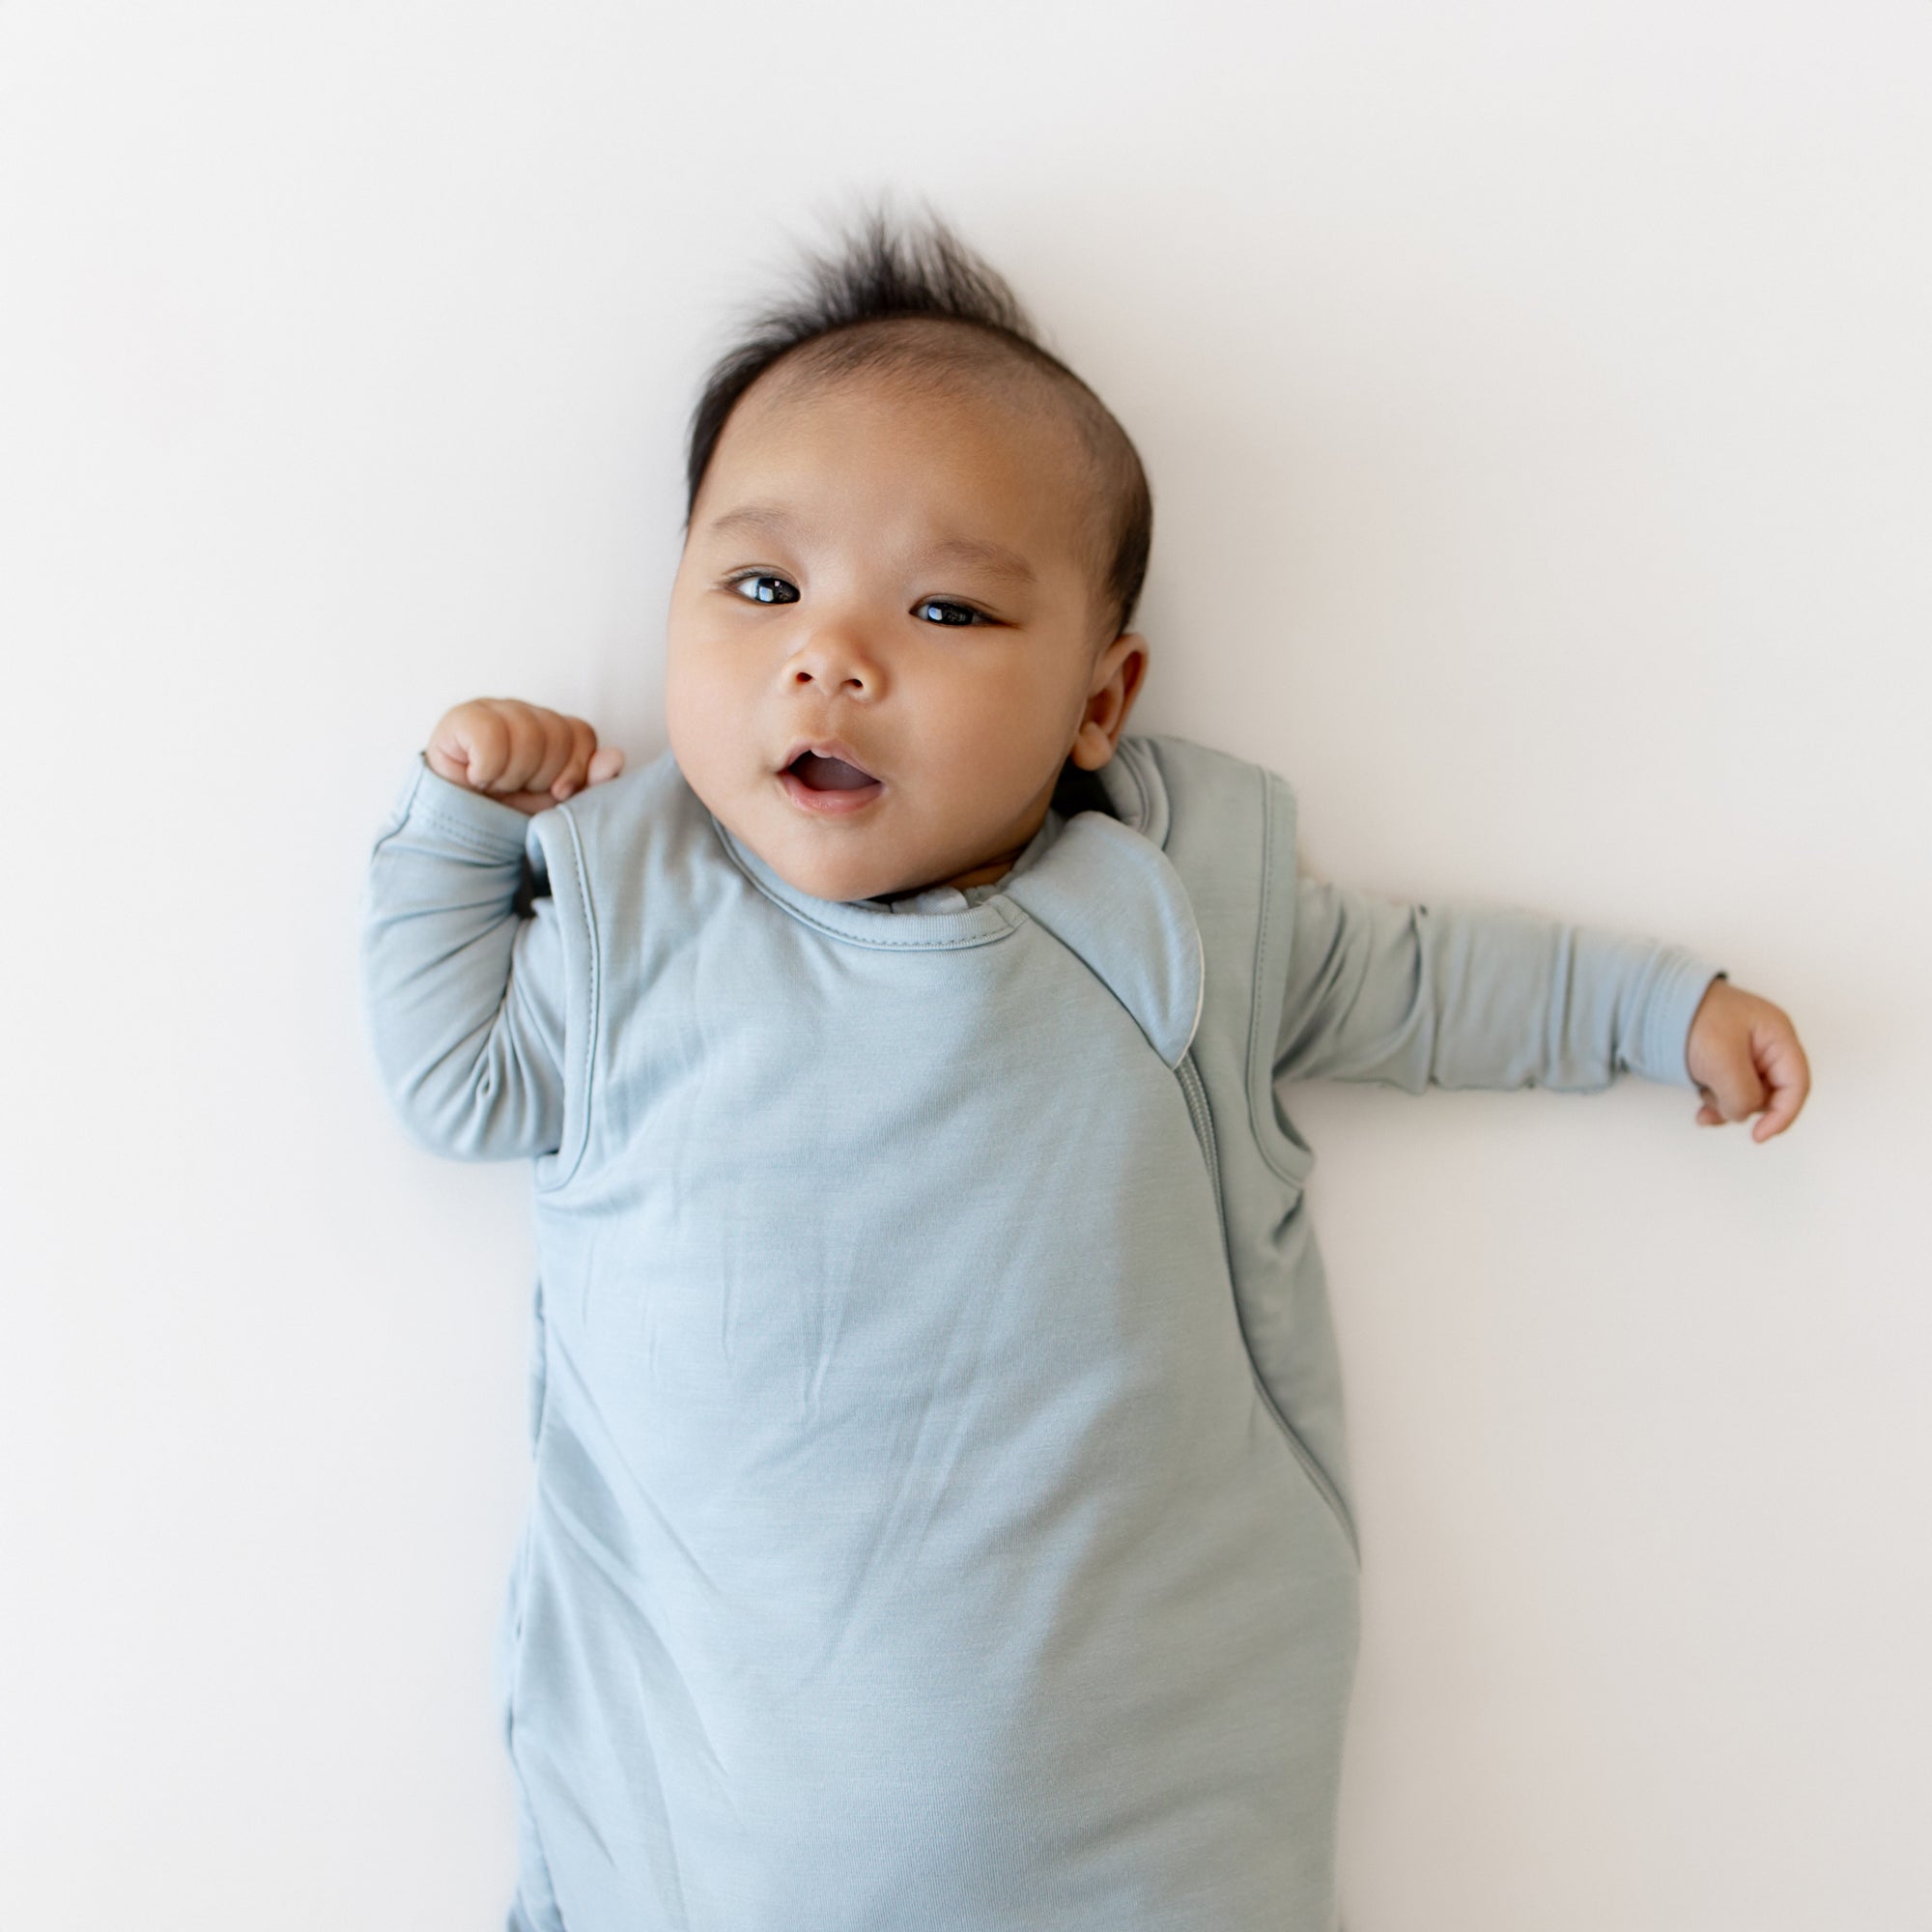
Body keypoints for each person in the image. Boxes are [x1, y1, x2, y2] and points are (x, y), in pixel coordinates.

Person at [359, 204, 1810, 1932]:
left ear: (1098, 702)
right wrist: (458, 831)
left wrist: (1653, 1009)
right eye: (761, 587)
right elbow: (450, 1081)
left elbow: (1421, 982)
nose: (832, 655)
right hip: (712, 1822)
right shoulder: (630, 907)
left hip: (1138, 1817)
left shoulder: (1172, 905)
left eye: (952, 607)